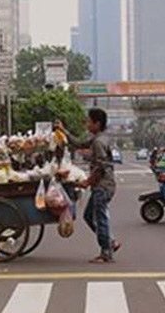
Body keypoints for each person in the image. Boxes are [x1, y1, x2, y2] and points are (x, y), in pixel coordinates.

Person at [55, 108, 121, 264]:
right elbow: (79, 143)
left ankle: (106, 253)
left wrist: (87, 182)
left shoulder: (98, 142)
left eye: (89, 121)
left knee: (100, 218)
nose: (87, 124)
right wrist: (63, 130)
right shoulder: (99, 138)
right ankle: (110, 242)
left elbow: (101, 167)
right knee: (88, 216)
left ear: (97, 123)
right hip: (102, 185)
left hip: (103, 186)